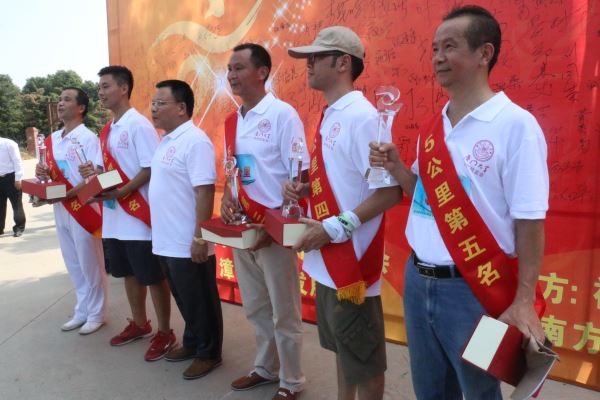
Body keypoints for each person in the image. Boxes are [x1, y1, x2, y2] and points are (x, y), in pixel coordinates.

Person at [369, 5, 549, 399]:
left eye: (449, 47)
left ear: (485, 53)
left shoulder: (516, 126)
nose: (437, 57)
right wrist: (397, 167)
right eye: (434, 48)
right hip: (418, 281)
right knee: (430, 388)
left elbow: (530, 221)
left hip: (474, 291)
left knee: (479, 390)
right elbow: (424, 194)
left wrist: (524, 299)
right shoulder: (434, 127)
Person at [285, 27, 402, 400]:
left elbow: (389, 192)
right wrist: (305, 190)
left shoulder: (363, 117)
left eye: (316, 57)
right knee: (343, 350)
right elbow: (346, 181)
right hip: (327, 258)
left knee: (364, 362)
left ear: (342, 63)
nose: (308, 64)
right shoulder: (333, 113)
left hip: (351, 262)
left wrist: (338, 226)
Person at [221, 43, 307, 400]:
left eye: (239, 68)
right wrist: (227, 199)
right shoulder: (232, 120)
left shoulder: (283, 115)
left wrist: (276, 227)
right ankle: (265, 367)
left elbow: (300, 178)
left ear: (262, 72)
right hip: (243, 229)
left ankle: (292, 380)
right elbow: (232, 172)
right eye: (229, 68)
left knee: (284, 311)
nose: (231, 75)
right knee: (256, 306)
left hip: (273, 231)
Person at [79, 66, 175, 361]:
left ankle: (165, 331)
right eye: (99, 87)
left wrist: (123, 191)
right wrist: (93, 172)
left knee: (152, 275)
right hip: (114, 216)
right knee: (128, 273)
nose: (101, 92)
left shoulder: (138, 125)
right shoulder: (107, 128)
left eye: (106, 86)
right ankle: (140, 324)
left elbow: (150, 167)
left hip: (138, 216)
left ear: (123, 88)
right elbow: (104, 168)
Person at [148, 79, 223, 380]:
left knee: (200, 298)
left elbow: (205, 191)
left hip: (187, 240)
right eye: (153, 103)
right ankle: (192, 342)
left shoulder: (195, 141)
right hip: (166, 239)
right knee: (184, 297)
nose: (154, 108)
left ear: (181, 108)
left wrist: (199, 238)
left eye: (160, 103)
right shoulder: (166, 141)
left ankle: (209, 353)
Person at [35, 87, 107, 335]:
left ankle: (96, 313)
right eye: (59, 99)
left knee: (90, 262)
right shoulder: (52, 139)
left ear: (81, 108)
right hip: (61, 206)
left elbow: (93, 178)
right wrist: (43, 173)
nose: (60, 103)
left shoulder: (88, 138)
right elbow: (49, 173)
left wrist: (68, 194)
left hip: (83, 207)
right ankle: (82, 309)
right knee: (73, 262)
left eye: (67, 99)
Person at [0, 135, 25, 237]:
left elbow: (17, 161)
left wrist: (18, 178)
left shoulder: (9, 144)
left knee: (16, 205)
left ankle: (19, 228)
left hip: (11, 178)